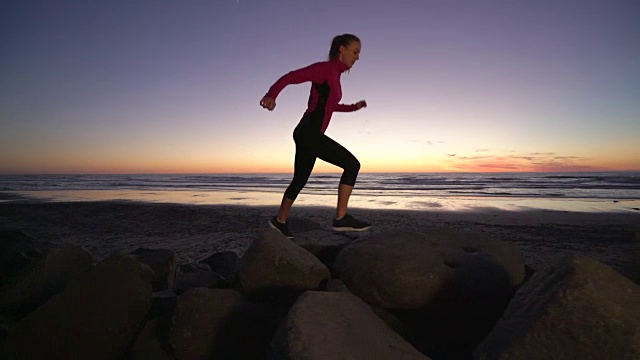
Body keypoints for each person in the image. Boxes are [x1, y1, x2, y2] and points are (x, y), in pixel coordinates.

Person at [259, 33, 371, 239]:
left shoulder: (335, 76)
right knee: (352, 165)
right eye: (355, 52)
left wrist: (353, 108)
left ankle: (279, 221)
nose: (357, 57)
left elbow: (330, 106)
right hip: (308, 132)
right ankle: (341, 218)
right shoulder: (325, 69)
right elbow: (291, 76)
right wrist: (272, 94)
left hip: (307, 133)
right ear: (342, 49)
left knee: (300, 178)